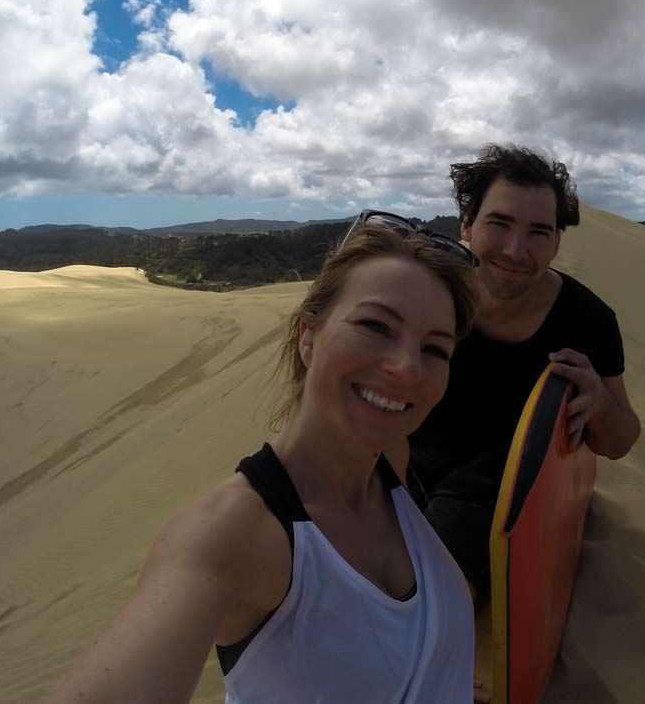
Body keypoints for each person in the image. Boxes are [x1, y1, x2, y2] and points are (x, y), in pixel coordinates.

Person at [47, 222, 480, 704]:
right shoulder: (231, 534)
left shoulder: (388, 463)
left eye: (434, 349)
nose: (408, 368)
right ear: (308, 337)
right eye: (376, 326)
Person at [406, 144, 641, 602]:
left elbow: (620, 442)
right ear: (467, 226)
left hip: (498, 495)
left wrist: (599, 404)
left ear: (555, 242)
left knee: (424, 596)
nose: (516, 250)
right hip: (401, 463)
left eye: (538, 232)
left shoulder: (587, 320)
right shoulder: (430, 293)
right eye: (499, 224)